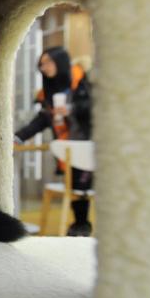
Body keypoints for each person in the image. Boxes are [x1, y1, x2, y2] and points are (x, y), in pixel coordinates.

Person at [15, 46, 94, 236]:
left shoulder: (84, 82)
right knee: (74, 185)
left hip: (90, 146)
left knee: (81, 185)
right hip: (69, 148)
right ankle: (80, 225)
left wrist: (72, 110)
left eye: (47, 62)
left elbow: (97, 110)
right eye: (41, 64)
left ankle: (82, 226)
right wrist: (19, 136)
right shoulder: (47, 94)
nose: (44, 67)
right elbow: (42, 120)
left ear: (60, 61)